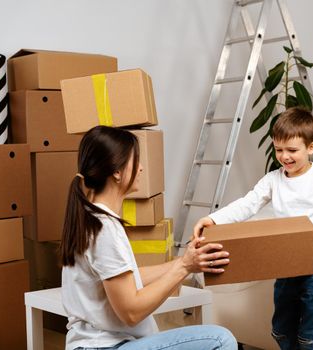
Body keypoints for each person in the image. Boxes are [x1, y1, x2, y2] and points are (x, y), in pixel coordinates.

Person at [59, 125, 237, 350]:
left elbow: (126, 279)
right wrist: (183, 268)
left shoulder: (91, 219)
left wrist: (187, 261)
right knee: (221, 340)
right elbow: (131, 312)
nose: (141, 168)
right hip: (106, 346)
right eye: (136, 161)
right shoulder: (104, 229)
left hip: (95, 345)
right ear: (116, 171)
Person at [193, 107, 313, 350]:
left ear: (311, 148)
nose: (285, 156)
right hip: (286, 267)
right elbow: (248, 203)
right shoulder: (273, 180)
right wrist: (214, 219)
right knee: (280, 330)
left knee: (310, 336)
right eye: (279, 150)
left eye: (292, 150)